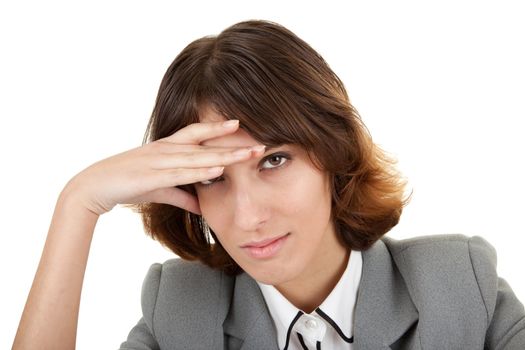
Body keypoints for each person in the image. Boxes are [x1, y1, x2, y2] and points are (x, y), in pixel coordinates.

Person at [12, 19, 525, 350]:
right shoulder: (183, 314)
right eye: (213, 177)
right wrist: (77, 202)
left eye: (275, 160)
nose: (247, 216)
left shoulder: (459, 288)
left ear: (333, 151)